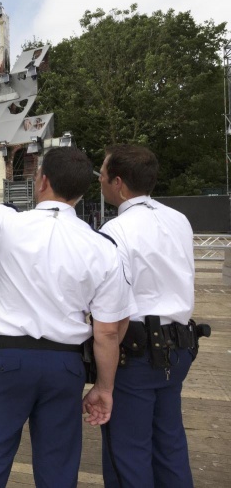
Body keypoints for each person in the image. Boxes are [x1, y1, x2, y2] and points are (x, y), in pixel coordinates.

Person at [0, 146, 134, 487]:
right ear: (83, 191)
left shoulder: (3, 222)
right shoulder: (103, 248)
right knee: (58, 470)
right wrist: (104, 387)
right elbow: (108, 332)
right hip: (65, 367)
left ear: (42, 182)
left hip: (6, 361)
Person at [98, 144, 202, 487]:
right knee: (169, 444)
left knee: (128, 453)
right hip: (179, 346)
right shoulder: (179, 220)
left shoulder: (117, 230)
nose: (98, 179)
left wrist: (104, 382)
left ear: (117, 182)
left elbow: (114, 309)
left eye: (102, 173)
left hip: (137, 354)